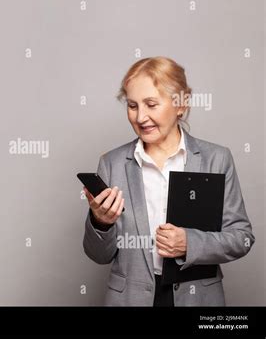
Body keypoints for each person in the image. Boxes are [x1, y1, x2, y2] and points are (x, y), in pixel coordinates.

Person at [82, 56, 254, 306]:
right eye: (132, 106)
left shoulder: (216, 159)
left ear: (181, 104)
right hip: (130, 299)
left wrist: (190, 243)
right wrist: (101, 223)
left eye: (151, 104)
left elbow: (241, 238)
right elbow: (98, 255)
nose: (141, 117)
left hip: (198, 299)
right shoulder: (112, 163)